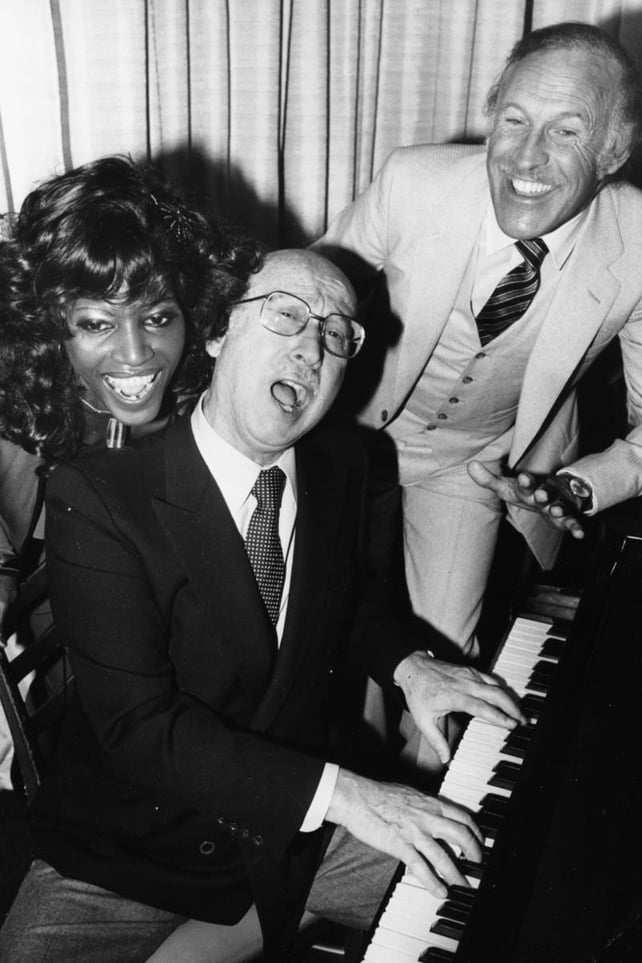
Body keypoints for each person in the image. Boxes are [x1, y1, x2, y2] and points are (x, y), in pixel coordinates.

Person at [0, 249, 525, 962]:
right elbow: (140, 728)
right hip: (133, 855)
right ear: (216, 331)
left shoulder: (344, 463)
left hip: (303, 842)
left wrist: (409, 664)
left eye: (338, 333)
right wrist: (351, 797)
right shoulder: (98, 497)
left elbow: (345, 599)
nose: (312, 348)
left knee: (520, 890)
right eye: (286, 315)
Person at [315, 21, 642, 672]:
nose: (527, 158)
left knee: (447, 665)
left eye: (566, 131)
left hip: (468, 466)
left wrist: (577, 487)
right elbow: (311, 295)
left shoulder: (638, 247)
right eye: (515, 121)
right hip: (340, 435)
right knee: (313, 639)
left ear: (612, 153)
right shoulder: (413, 181)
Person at [0, 154, 260, 785]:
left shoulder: (217, 396)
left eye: (157, 316)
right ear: (49, 327)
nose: (137, 354)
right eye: (96, 324)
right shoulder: (21, 403)